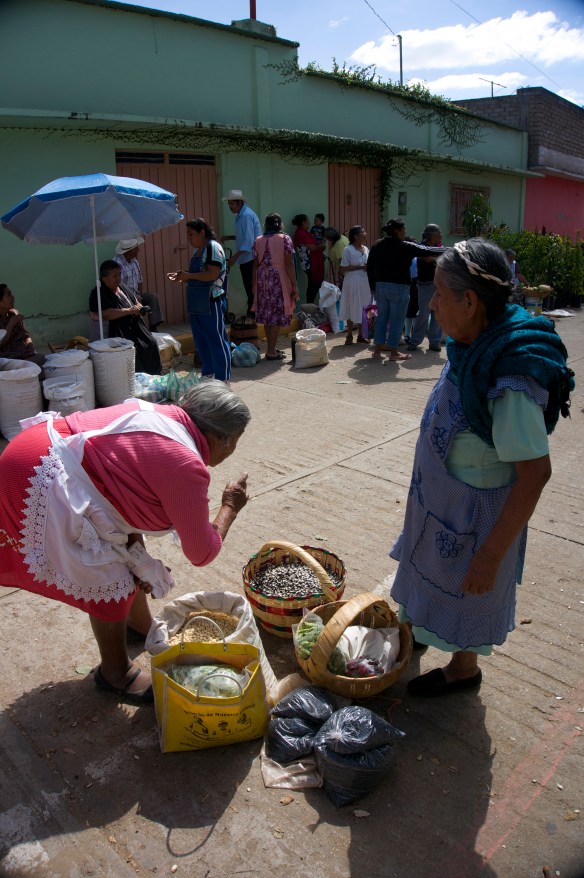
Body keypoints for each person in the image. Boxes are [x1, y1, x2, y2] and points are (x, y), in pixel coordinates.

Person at [389, 238, 574, 698]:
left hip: (475, 521)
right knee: (425, 578)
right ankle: (415, 634)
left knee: (464, 598)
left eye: (438, 294)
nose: (431, 304)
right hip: (440, 503)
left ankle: (463, 670)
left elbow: (535, 474)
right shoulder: (471, 344)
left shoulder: (510, 376)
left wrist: (490, 556)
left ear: (469, 301)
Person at [0, 380, 251, 703]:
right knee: (110, 576)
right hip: (41, 475)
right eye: (235, 442)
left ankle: (139, 625)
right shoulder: (186, 464)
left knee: (128, 557)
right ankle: (115, 673)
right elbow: (202, 552)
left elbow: (118, 485)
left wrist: (139, 558)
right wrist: (230, 505)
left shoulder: (156, 412)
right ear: (222, 439)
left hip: (33, 449)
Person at [366, 219, 443, 362]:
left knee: (382, 318)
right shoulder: (404, 246)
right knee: (397, 320)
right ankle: (394, 352)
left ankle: (377, 350)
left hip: (381, 287)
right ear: (397, 231)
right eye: (404, 230)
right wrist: (453, 250)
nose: (405, 232)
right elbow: (428, 250)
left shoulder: (377, 244)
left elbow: (370, 267)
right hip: (399, 288)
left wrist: (373, 287)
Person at [168, 218, 231, 383]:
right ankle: (208, 376)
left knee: (216, 340)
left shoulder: (213, 247)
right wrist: (182, 276)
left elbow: (212, 274)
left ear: (202, 232)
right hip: (196, 303)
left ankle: (222, 379)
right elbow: (196, 275)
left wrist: (189, 276)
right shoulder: (197, 251)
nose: (189, 238)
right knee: (202, 341)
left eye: (191, 234)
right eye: (187, 235)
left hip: (211, 302)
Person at [89, 261, 162, 375]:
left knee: (151, 343)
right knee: (133, 348)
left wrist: (139, 307)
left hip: (132, 325)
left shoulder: (121, 287)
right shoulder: (98, 293)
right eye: (115, 276)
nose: (118, 278)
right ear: (104, 277)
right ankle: (136, 378)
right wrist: (130, 311)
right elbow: (106, 313)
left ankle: (153, 374)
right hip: (116, 328)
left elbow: (134, 299)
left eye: (119, 274)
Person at [252, 213, 298, 361]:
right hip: (278, 279)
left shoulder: (258, 240)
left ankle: (271, 348)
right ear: (281, 225)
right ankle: (271, 351)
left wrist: (254, 285)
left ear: (266, 225)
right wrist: (294, 285)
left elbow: (255, 265)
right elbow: (289, 263)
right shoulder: (285, 239)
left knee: (267, 315)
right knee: (276, 315)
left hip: (262, 280)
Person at [220, 189, 261, 318]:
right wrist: (229, 237)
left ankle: (253, 315)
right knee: (250, 288)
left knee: (251, 289)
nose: (230, 207)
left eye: (232, 203)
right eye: (229, 204)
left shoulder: (245, 216)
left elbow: (248, 242)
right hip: (247, 258)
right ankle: (252, 314)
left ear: (239, 203)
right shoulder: (241, 215)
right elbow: (245, 237)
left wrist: (234, 257)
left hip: (250, 258)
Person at [114, 238, 165, 332]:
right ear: (129, 251)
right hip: (123, 298)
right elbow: (117, 286)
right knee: (137, 303)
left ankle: (153, 327)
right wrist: (133, 298)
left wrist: (139, 295)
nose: (138, 250)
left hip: (135, 295)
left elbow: (140, 281)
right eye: (136, 248)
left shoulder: (135, 262)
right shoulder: (117, 264)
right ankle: (139, 329)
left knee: (153, 297)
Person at [407, 223, 444, 352]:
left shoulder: (438, 247)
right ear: (432, 234)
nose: (441, 235)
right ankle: (415, 340)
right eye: (439, 232)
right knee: (423, 313)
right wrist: (439, 258)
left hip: (438, 284)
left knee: (437, 313)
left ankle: (434, 342)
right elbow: (428, 259)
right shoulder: (422, 246)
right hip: (426, 284)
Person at [339, 226, 371, 345]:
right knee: (351, 304)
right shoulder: (348, 249)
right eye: (363, 232)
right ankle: (349, 335)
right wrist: (361, 267)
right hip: (352, 282)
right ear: (355, 236)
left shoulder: (366, 249)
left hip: (364, 282)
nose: (365, 233)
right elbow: (342, 269)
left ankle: (361, 335)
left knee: (364, 306)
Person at [0, 284, 44, 365]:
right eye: (9, 295)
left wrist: (30, 346)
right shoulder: (12, 320)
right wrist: (10, 325)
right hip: (8, 361)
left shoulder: (14, 313)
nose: (13, 297)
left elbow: (25, 335)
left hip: (24, 355)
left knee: (44, 360)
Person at [291, 214, 326, 304]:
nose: (310, 223)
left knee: (314, 284)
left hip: (312, 262)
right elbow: (313, 248)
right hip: (309, 263)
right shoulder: (301, 233)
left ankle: (309, 305)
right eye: (308, 221)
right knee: (313, 284)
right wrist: (322, 246)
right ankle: (309, 305)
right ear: (303, 222)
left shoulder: (305, 232)